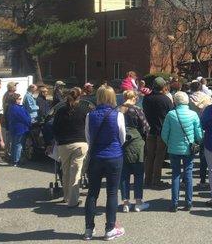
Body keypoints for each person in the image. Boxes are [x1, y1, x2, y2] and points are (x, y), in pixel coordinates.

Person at [84, 85, 126, 241]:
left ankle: (89, 229)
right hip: (114, 155)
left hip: (96, 156)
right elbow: (122, 137)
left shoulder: (90, 115)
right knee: (112, 192)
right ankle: (109, 228)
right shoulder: (118, 115)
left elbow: (88, 138)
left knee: (92, 193)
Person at [161, 91, 203, 212]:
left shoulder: (171, 114)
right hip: (189, 149)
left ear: (175, 101)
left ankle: (174, 203)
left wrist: (170, 143)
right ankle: (188, 202)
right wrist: (197, 141)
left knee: (175, 174)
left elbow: (164, 134)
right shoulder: (193, 114)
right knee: (188, 174)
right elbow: (199, 134)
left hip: (173, 149)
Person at [53, 87, 92, 208]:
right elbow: (89, 127)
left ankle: (66, 197)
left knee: (65, 171)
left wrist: (57, 139)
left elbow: (54, 128)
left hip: (63, 144)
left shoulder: (60, 111)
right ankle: (73, 200)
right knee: (76, 172)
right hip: (80, 143)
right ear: (80, 96)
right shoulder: (85, 110)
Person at [119, 90, 150, 213]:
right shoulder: (137, 110)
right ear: (135, 98)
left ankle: (125, 203)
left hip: (122, 143)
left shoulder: (118, 110)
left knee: (124, 175)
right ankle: (138, 202)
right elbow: (146, 127)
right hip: (136, 142)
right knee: (138, 174)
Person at [142, 77, 173, 188]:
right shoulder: (166, 100)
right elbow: (171, 115)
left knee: (149, 156)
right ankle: (156, 180)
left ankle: (147, 179)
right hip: (162, 131)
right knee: (159, 156)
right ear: (163, 87)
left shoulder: (146, 99)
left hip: (150, 130)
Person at [189, 80, 212, 187]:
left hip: (191, 127)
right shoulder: (207, 98)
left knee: (189, 154)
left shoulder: (188, 99)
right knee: (203, 155)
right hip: (204, 127)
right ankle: (203, 180)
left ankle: (186, 180)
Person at [7, 93, 31, 167]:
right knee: (19, 144)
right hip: (20, 129)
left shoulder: (11, 107)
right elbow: (25, 118)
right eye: (19, 99)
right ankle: (16, 160)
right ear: (15, 100)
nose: (20, 100)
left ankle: (13, 159)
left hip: (14, 128)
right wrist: (29, 122)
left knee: (14, 144)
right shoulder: (17, 108)